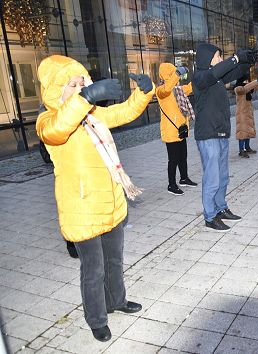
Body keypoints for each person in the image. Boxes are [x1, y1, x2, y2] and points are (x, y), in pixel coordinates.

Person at [36, 55, 154, 341]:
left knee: (114, 260)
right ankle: (96, 318)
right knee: (93, 269)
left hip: (111, 202)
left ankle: (117, 301)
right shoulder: (49, 119)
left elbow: (123, 113)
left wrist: (143, 93)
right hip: (82, 207)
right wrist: (85, 97)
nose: (78, 87)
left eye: (81, 82)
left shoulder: (92, 116)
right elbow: (56, 130)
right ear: (55, 89)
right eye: (71, 84)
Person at [192, 43, 257, 232]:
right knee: (212, 178)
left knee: (222, 177)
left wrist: (247, 63)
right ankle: (210, 216)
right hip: (208, 135)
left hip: (221, 133)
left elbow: (234, 73)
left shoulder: (218, 78)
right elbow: (217, 72)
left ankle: (221, 208)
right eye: (218, 56)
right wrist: (235, 57)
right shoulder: (201, 76)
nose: (221, 59)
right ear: (208, 58)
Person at [156, 63, 197, 196]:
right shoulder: (161, 90)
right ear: (168, 74)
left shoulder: (178, 89)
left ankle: (184, 178)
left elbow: (190, 88)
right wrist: (177, 74)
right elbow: (167, 89)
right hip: (170, 131)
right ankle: (171, 185)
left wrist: (200, 74)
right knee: (173, 159)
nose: (177, 75)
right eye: (173, 73)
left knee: (183, 157)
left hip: (181, 129)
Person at [234, 73, 258, 158]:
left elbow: (252, 87)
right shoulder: (238, 89)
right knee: (242, 132)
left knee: (247, 131)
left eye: (248, 81)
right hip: (242, 114)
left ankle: (247, 148)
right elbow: (246, 88)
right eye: (245, 81)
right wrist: (256, 82)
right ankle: (241, 150)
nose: (247, 82)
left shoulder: (247, 90)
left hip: (248, 114)